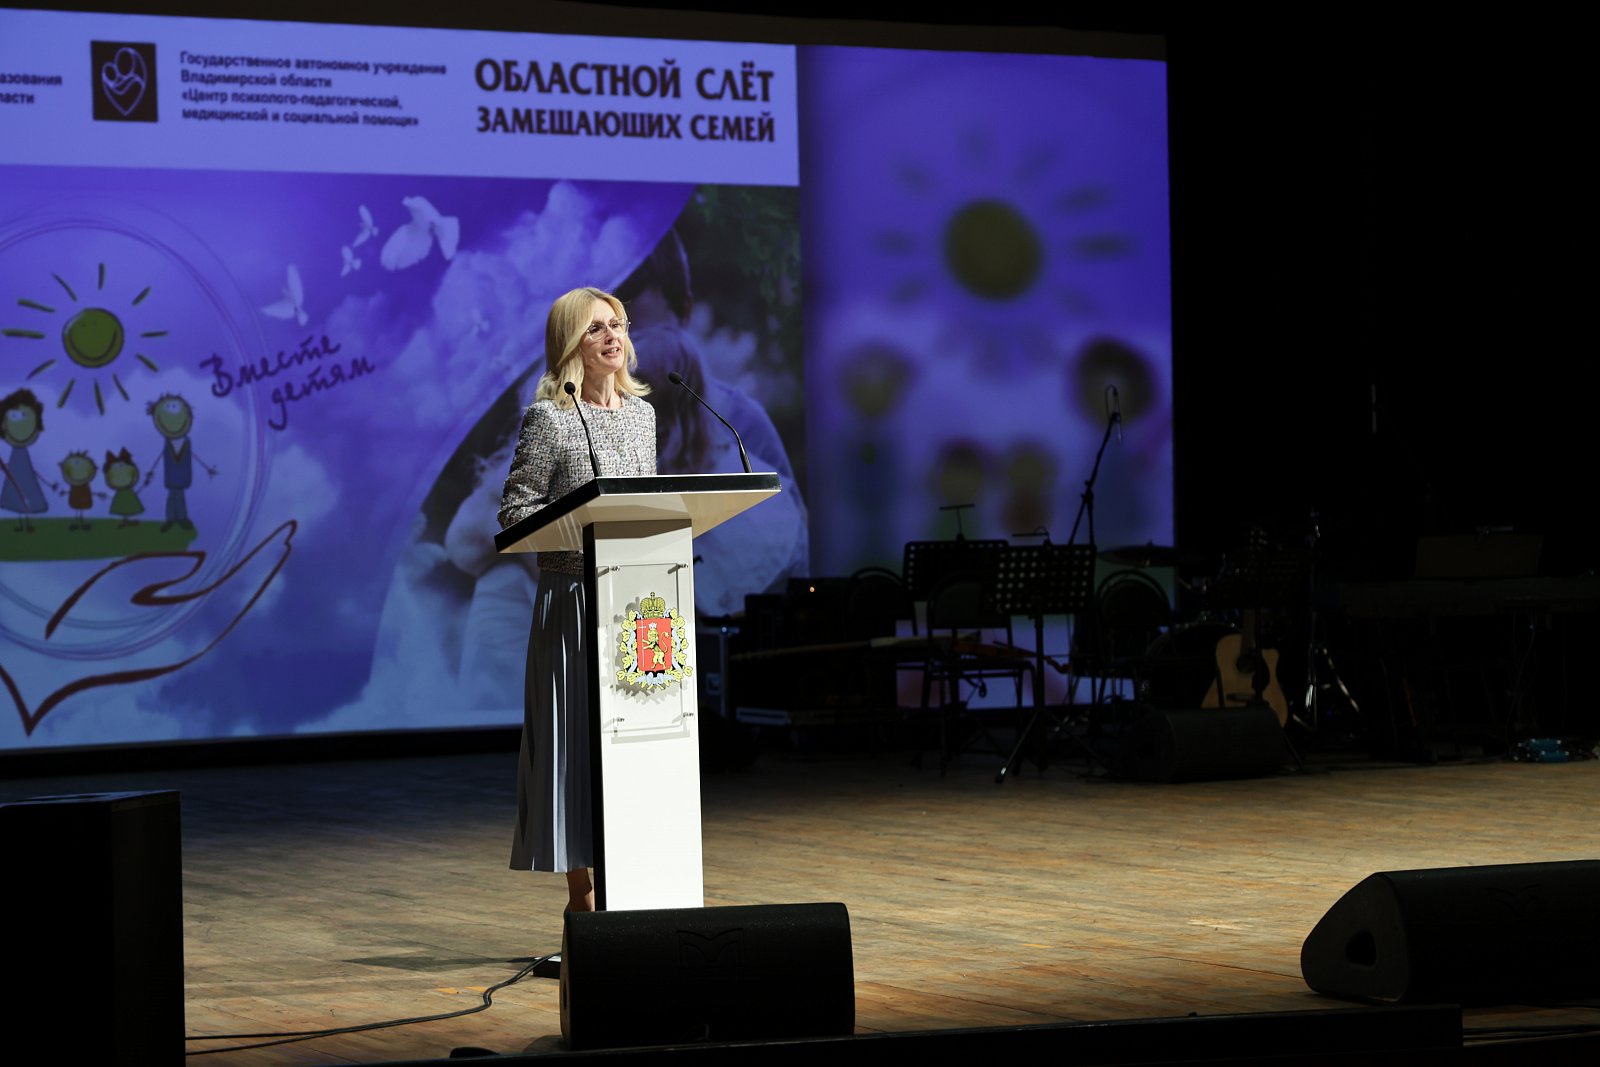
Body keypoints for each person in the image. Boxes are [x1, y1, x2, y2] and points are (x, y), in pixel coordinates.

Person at [498, 287, 656, 913]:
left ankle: (637, 882)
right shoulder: (551, 419)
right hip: (573, 599)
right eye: (596, 328)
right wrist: (577, 524)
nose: (613, 336)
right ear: (571, 343)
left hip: (640, 604)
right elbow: (516, 510)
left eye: (618, 324)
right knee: (576, 743)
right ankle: (582, 897)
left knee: (637, 740)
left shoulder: (643, 416)